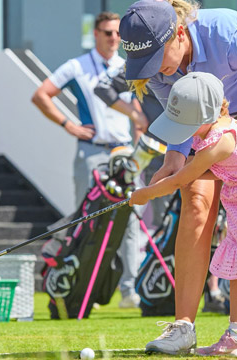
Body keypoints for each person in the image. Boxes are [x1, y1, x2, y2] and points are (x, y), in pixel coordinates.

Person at [119, 0, 237, 354]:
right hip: (202, 122)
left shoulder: (227, 32)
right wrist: (174, 158)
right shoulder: (154, 69)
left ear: (180, 33)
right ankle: (184, 327)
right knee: (197, 202)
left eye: (158, 59)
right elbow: (181, 119)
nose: (156, 71)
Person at [31, 11, 148, 309]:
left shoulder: (127, 66)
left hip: (125, 153)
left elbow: (138, 114)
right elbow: (42, 95)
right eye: (107, 32)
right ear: (95, 34)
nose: (113, 38)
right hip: (92, 151)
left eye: (117, 33)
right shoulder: (76, 66)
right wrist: (68, 125)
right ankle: (87, 287)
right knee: (89, 220)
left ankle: (129, 291)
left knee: (132, 220)